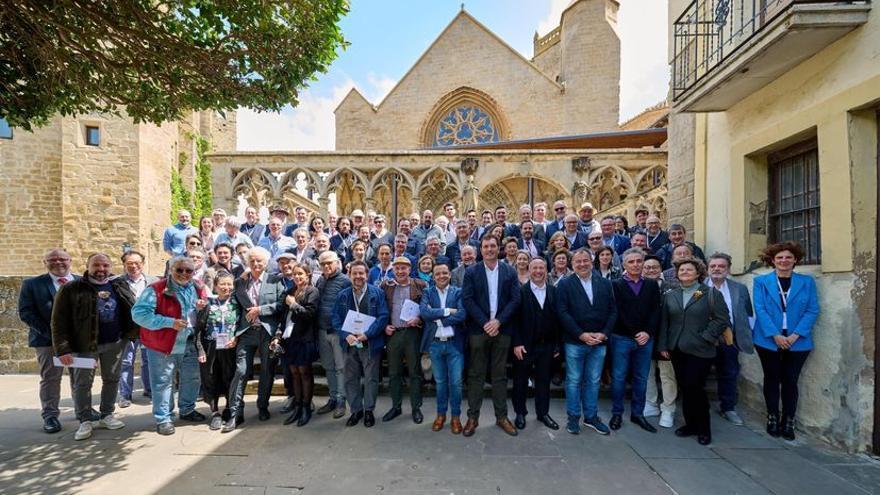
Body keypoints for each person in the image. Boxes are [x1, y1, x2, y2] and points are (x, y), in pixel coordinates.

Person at [52, 253, 137, 440]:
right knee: (82, 384)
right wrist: (63, 349)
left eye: (105, 265)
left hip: (115, 343)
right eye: (96, 265)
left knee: (112, 379)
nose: (101, 269)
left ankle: (107, 414)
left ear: (110, 267)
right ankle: (85, 419)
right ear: (88, 266)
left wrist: (131, 334)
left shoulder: (118, 285)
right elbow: (59, 322)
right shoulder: (71, 288)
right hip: (83, 346)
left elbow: (132, 308)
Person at [132, 255, 210, 436]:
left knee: (192, 379)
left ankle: (187, 410)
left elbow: (204, 310)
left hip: (190, 342)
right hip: (162, 345)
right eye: (179, 270)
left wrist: (202, 307)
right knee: (162, 383)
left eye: (188, 270)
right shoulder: (156, 289)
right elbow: (139, 314)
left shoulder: (197, 286)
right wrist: (169, 322)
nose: (184, 274)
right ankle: (164, 418)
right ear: (170, 270)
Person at [657, 257, 730, 446]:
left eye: (689, 270)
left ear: (698, 273)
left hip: (700, 349)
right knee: (685, 387)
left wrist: (705, 337)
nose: (685, 273)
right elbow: (665, 322)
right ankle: (690, 424)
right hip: (677, 348)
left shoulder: (709, 293)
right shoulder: (671, 295)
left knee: (695, 387)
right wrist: (663, 345)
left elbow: (722, 319)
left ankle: (703, 428)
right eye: (681, 270)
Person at [752, 242, 819, 441]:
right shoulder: (762, 282)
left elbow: (812, 310)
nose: (784, 261)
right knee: (771, 378)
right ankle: (772, 416)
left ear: (795, 260)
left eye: (788, 257)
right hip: (768, 339)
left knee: (790, 380)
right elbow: (760, 309)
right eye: (779, 258)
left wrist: (795, 335)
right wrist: (776, 335)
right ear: (773, 260)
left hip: (797, 340)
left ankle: (789, 420)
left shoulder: (806, 282)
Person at [461, 235, 522, 437]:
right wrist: (486, 322)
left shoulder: (509, 271)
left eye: (492, 246)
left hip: (502, 330)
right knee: (476, 375)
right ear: (481, 250)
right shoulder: (471, 272)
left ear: (499, 248)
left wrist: (498, 321)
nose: (489, 249)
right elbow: (468, 300)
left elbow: (515, 299)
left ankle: (502, 417)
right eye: (485, 246)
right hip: (479, 331)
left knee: (500, 376)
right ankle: (472, 418)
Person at [18, 248, 79, 434]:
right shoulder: (32, 284)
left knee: (80, 377)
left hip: (79, 342)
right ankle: (50, 415)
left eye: (62, 259)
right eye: (52, 259)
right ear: (44, 263)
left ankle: (82, 411)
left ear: (70, 261)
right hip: (47, 342)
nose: (58, 262)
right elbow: (26, 313)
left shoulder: (82, 282)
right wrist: (54, 336)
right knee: (51, 379)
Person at [557, 249, 617, 435]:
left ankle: (591, 417)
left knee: (593, 380)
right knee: (574, 380)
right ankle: (573, 417)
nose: (582, 264)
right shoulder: (565, 284)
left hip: (599, 342)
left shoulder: (605, 283)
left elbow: (613, 311)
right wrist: (581, 334)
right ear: (571, 264)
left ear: (592, 262)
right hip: (575, 342)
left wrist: (604, 334)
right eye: (578, 262)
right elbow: (563, 313)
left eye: (585, 261)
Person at [229, 247, 286, 425]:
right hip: (246, 333)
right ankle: (235, 411)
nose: (255, 264)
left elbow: (281, 304)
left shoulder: (275, 280)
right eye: (252, 260)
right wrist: (233, 333)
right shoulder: (239, 283)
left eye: (259, 260)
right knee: (241, 371)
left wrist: (260, 310)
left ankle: (263, 406)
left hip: (267, 332)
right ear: (247, 262)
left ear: (266, 262)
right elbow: (234, 307)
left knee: (267, 371)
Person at [609, 248, 660, 433]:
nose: (636, 265)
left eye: (639, 261)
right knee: (619, 377)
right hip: (621, 337)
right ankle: (617, 413)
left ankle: (638, 414)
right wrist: (635, 332)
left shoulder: (652, 285)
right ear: (624, 265)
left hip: (646, 340)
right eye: (631, 262)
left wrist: (647, 332)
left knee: (641, 377)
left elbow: (656, 311)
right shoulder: (615, 285)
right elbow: (617, 311)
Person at [333, 261, 389, 428]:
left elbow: (383, 316)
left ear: (367, 275)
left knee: (371, 378)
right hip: (349, 344)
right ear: (350, 275)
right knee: (350, 378)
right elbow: (335, 318)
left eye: (361, 273)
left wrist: (367, 334)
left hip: (370, 343)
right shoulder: (342, 295)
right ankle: (356, 410)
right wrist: (345, 335)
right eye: (354, 273)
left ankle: (369, 410)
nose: (358, 277)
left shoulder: (377, 293)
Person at [511, 258, 561, 431]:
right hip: (524, 346)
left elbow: (559, 320)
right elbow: (514, 320)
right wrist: (516, 343)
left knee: (544, 381)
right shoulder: (520, 292)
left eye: (542, 268)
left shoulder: (554, 291)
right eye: (535, 268)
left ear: (546, 270)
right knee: (520, 381)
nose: (538, 271)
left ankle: (543, 413)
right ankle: (520, 413)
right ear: (529, 270)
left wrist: (557, 345)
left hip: (547, 345)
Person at [706, 252, 754, 426]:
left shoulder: (738, 289)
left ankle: (728, 408)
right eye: (713, 266)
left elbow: (748, 313)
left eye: (721, 266)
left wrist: (746, 335)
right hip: (705, 339)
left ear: (728, 269)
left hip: (729, 338)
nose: (717, 269)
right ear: (707, 268)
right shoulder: (699, 288)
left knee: (729, 373)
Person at [420, 263, 467, 433]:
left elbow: (462, 314)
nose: (441, 276)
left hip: (454, 344)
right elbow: (424, 313)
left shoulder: (458, 292)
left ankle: (456, 416)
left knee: (455, 383)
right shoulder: (427, 292)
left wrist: (438, 317)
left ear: (449, 274)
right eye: (438, 273)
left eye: (444, 273)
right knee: (440, 383)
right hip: (435, 344)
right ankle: (441, 415)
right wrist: (448, 310)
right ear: (433, 276)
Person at [379, 256, 428, 423]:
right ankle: (396, 406)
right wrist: (385, 325)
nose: (400, 271)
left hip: (412, 333)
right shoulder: (386, 286)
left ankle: (416, 407)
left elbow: (428, 306)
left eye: (404, 268)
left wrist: (419, 318)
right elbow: (380, 308)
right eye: (397, 268)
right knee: (393, 373)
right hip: (393, 334)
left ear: (410, 269)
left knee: (415, 372)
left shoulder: (420, 285)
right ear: (393, 270)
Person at [275, 263, 321, 427]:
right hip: (289, 338)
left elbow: (309, 314)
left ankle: (306, 407)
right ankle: (298, 406)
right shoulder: (289, 291)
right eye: (295, 274)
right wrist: (278, 336)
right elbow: (283, 317)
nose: (297, 277)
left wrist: (293, 304)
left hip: (304, 338)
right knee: (293, 372)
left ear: (308, 275)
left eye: (301, 274)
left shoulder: (312, 291)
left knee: (304, 372)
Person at [194, 271, 239, 431]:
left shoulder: (236, 303)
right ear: (215, 286)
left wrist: (237, 338)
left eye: (229, 284)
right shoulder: (207, 304)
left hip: (229, 347)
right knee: (210, 379)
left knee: (229, 377)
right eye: (222, 284)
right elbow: (198, 329)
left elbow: (241, 326)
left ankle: (228, 408)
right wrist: (200, 349)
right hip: (210, 347)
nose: (226, 287)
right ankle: (215, 413)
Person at [115, 251, 158, 408]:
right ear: (124, 265)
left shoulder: (153, 281)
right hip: (127, 330)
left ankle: (149, 390)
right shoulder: (117, 282)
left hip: (148, 328)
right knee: (126, 361)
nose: (133, 266)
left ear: (143, 263)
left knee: (149, 360)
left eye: (137, 263)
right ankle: (125, 395)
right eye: (129, 263)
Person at [314, 251, 351, 419]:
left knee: (340, 368)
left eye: (329, 263)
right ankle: (332, 398)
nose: (326, 266)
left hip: (338, 332)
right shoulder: (320, 280)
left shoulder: (345, 281)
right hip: (322, 330)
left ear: (337, 263)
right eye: (323, 264)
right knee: (328, 367)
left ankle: (341, 400)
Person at [643, 254, 677, 428]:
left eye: (654, 267)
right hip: (646, 338)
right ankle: (651, 403)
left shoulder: (672, 288)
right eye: (647, 267)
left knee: (667, 375)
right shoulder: (639, 287)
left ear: (660, 269)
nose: (651, 270)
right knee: (647, 373)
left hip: (667, 339)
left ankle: (668, 408)